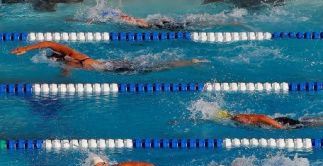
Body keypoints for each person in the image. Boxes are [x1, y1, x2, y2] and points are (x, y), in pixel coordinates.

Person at [10, 41, 205, 72]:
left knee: (159, 67)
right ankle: (189, 62)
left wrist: (26, 49)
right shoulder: (67, 63)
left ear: (56, 55)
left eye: (52, 57)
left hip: (114, 67)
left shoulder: (72, 55)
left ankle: (191, 62)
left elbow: (48, 43)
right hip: (114, 69)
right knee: (155, 67)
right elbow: (67, 71)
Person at [216, 110, 323, 130]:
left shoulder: (241, 119)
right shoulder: (238, 116)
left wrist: (279, 127)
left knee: (316, 124)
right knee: (313, 121)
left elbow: (262, 117)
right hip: (280, 119)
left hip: (282, 122)